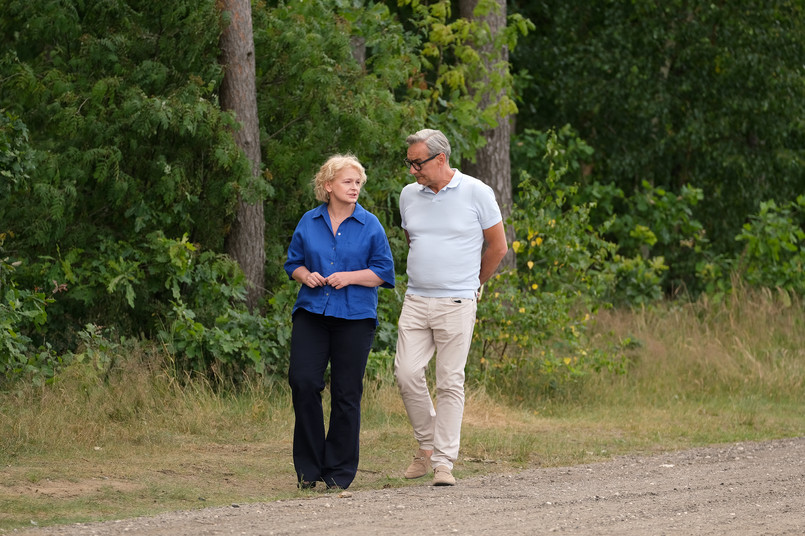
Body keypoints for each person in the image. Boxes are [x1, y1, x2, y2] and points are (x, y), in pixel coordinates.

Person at [394, 129, 508, 486]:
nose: (412, 170)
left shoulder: (477, 192)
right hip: (415, 298)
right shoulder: (408, 196)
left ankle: (443, 461)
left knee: (449, 381)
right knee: (406, 374)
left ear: (440, 159)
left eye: (418, 163)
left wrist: (473, 284)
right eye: (409, 163)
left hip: (457, 300)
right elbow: (413, 239)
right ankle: (427, 446)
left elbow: (498, 247)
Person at [284, 154, 395, 490]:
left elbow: (383, 272)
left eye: (358, 182)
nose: (354, 188)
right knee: (303, 383)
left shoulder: (370, 224)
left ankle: (338, 473)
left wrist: (348, 277)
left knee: (346, 393)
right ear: (328, 185)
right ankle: (308, 469)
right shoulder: (308, 221)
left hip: (355, 318)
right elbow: (294, 264)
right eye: (348, 181)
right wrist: (308, 276)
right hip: (312, 314)